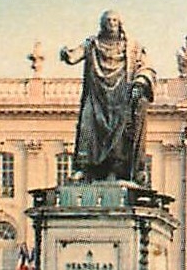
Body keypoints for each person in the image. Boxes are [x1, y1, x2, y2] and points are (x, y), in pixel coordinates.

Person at [62, 10, 155, 184]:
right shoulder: (93, 44)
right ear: (103, 24)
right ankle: (84, 167)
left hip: (121, 96)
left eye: (115, 20)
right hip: (98, 94)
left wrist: (141, 82)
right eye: (108, 20)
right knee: (86, 124)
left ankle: (115, 169)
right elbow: (75, 55)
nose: (112, 23)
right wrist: (67, 54)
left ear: (120, 24)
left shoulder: (132, 47)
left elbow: (146, 67)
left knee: (120, 132)